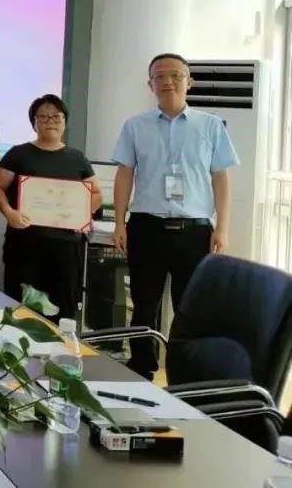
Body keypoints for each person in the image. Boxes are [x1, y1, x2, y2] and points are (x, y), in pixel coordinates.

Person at [111, 53, 238, 379]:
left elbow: (221, 178)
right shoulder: (135, 126)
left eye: (176, 75)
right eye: (160, 76)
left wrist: (222, 228)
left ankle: (184, 372)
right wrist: (119, 223)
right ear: (150, 84)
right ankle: (141, 368)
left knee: (189, 306)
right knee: (143, 304)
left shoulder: (211, 126)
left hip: (194, 230)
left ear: (189, 82)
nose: (168, 81)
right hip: (146, 226)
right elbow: (125, 174)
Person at [0, 94, 102, 322]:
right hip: (24, 246)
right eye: (42, 117)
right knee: (20, 311)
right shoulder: (18, 153)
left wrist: (82, 217)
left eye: (56, 116)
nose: (50, 121)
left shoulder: (76, 158)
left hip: (65, 249)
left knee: (62, 312)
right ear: (33, 122)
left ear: (65, 121)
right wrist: (9, 212)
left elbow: (96, 194)